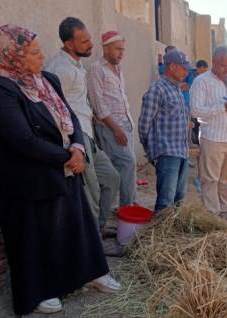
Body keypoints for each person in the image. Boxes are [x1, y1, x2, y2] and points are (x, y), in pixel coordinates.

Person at [0, 24, 121, 315]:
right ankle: (39, 292)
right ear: (14, 56)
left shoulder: (46, 80)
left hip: (63, 166)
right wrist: (66, 156)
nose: (42, 56)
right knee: (32, 236)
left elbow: (70, 115)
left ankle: (90, 273)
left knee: (78, 225)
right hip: (24, 178)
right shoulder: (2, 92)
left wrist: (78, 148)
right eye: (34, 52)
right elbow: (23, 140)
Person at [45, 17, 120, 238]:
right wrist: (71, 143)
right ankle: (94, 243)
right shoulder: (60, 69)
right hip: (75, 138)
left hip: (87, 134)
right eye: (84, 41)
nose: (91, 44)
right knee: (92, 192)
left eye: (89, 39)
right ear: (69, 44)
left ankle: (99, 228)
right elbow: (51, 107)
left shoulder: (75, 64)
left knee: (111, 179)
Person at [190, 45, 227, 224]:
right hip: (212, 138)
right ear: (213, 62)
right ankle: (212, 217)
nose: (226, 69)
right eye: (223, 65)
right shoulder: (202, 82)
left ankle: (226, 213)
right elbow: (195, 109)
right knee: (209, 179)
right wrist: (222, 107)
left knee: (226, 179)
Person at [139, 50, 196, 212]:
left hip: (181, 152)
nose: (186, 72)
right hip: (167, 153)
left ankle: (173, 235)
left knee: (179, 198)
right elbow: (144, 124)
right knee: (165, 200)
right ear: (172, 66)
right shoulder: (157, 89)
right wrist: (151, 149)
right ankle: (158, 236)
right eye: (183, 68)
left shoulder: (177, 89)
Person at [86, 30, 138, 207]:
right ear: (106, 48)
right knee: (128, 163)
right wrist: (116, 129)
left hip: (125, 124)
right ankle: (127, 207)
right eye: (117, 49)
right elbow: (97, 103)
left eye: (123, 49)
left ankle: (129, 203)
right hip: (110, 128)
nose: (121, 53)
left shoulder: (118, 69)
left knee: (125, 167)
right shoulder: (95, 69)